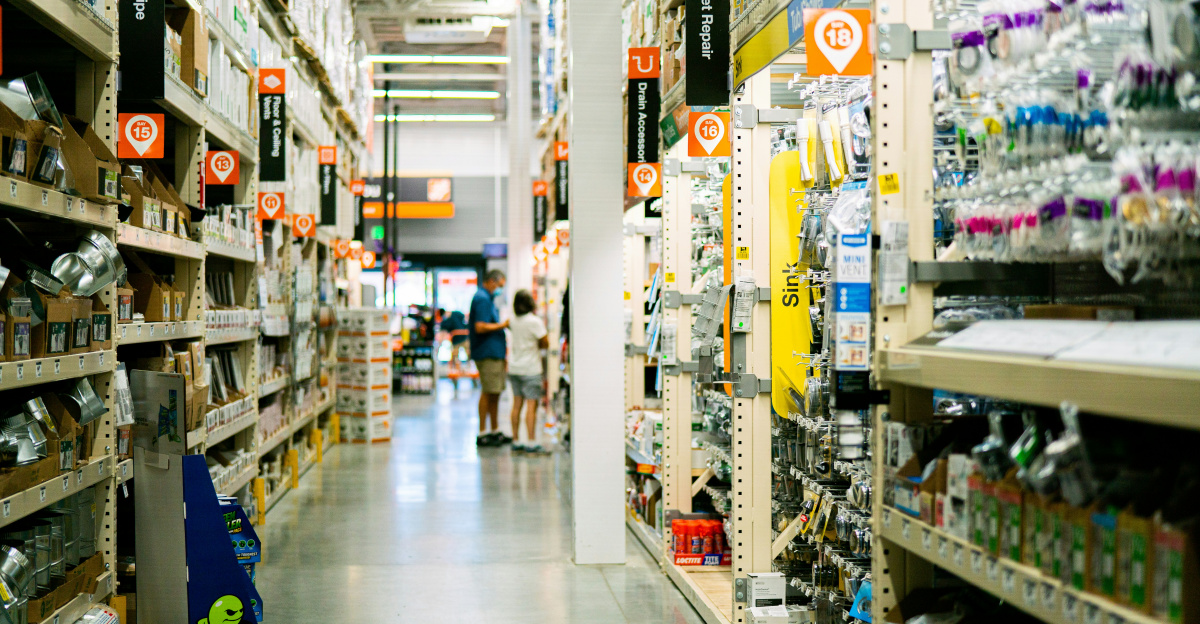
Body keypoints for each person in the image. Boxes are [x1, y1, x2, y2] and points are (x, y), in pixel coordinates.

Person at [469, 269, 509, 447]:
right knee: (488, 391)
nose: (500, 290)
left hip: (494, 352)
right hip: (487, 353)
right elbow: (480, 327)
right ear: (492, 281)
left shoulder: (487, 299)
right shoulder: (483, 299)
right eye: (500, 286)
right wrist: (502, 325)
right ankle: (483, 432)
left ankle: (494, 429)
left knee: (495, 392)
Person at [507, 289, 549, 453]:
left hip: (514, 367)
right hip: (531, 369)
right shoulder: (534, 321)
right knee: (531, 405)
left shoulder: (512, 321)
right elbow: (545, 343)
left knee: (516, 404)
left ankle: (516, 440)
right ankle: (531, 442)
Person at [439, 308, 469, 375]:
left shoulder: (457, 314)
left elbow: (465, 319)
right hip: (455, 341)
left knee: (468, 353)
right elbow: (443, 332)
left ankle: (468, 368)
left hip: (464, 337)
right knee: (455, 356)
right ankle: (456, 370)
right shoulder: (445, 322)